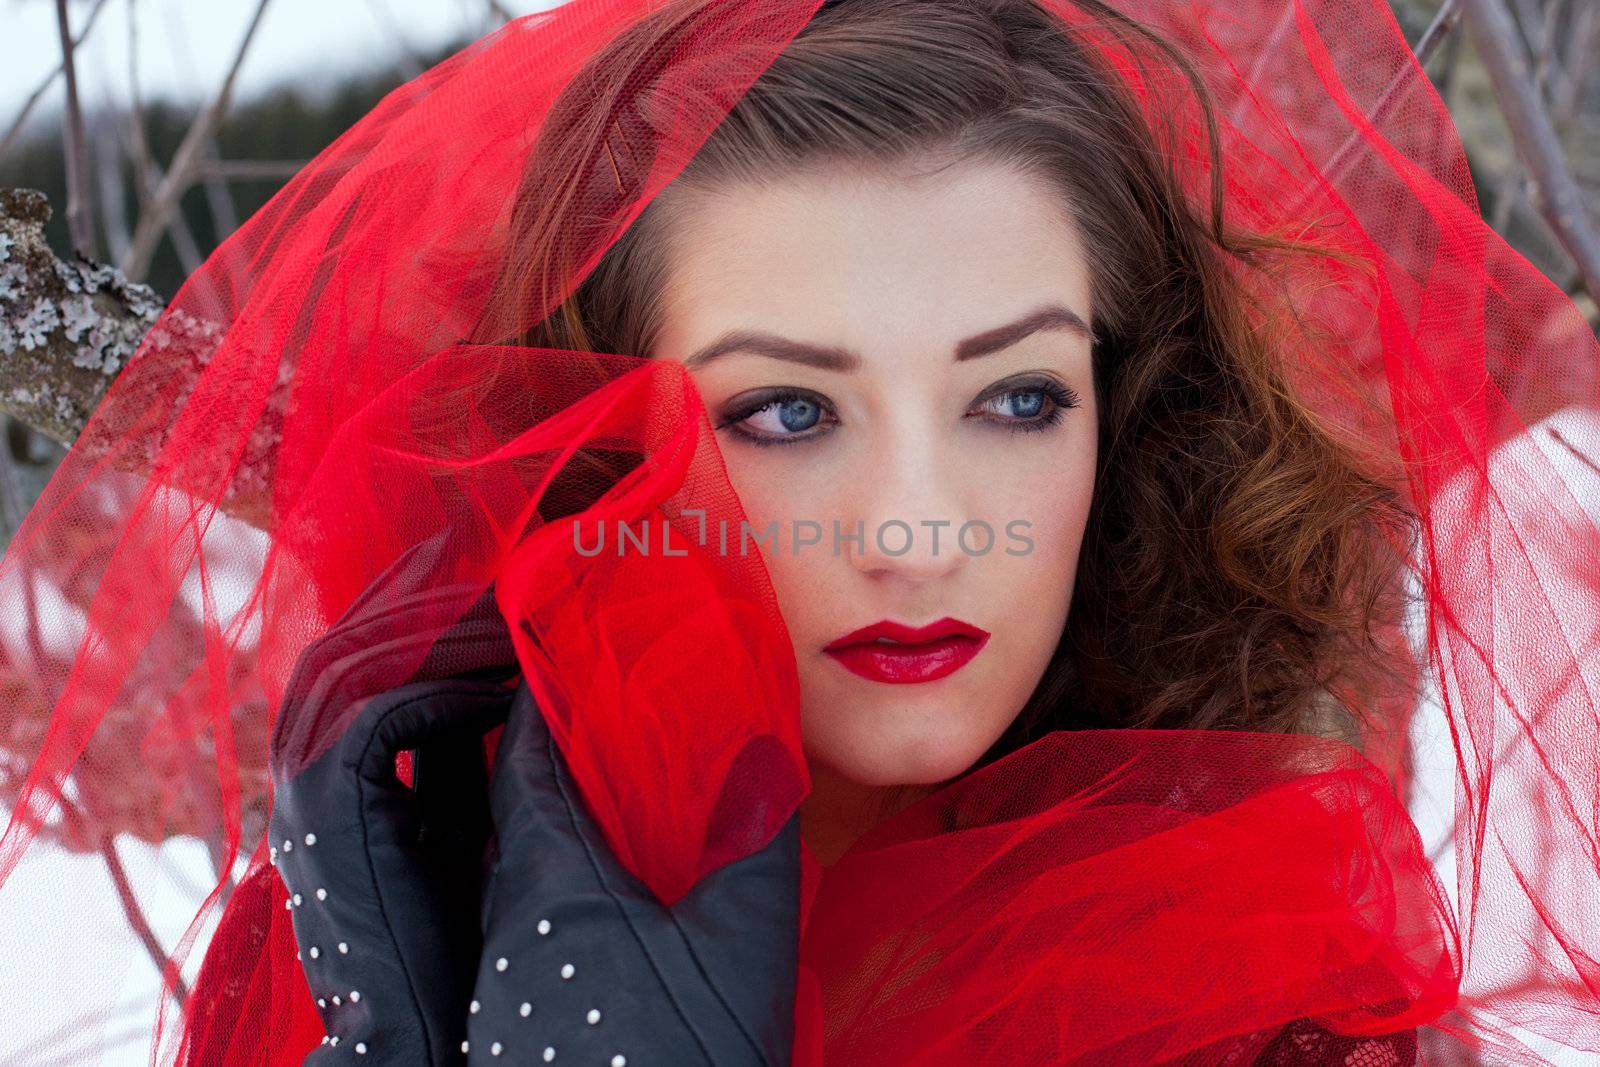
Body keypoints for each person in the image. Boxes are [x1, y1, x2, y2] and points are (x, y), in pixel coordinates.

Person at [1, 0, 1596, 1064]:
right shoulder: (388, 903)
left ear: (1133, 411)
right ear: (593, 432)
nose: (918, 534)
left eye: (1020, 401)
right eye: (786, 412)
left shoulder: (1246, 968)